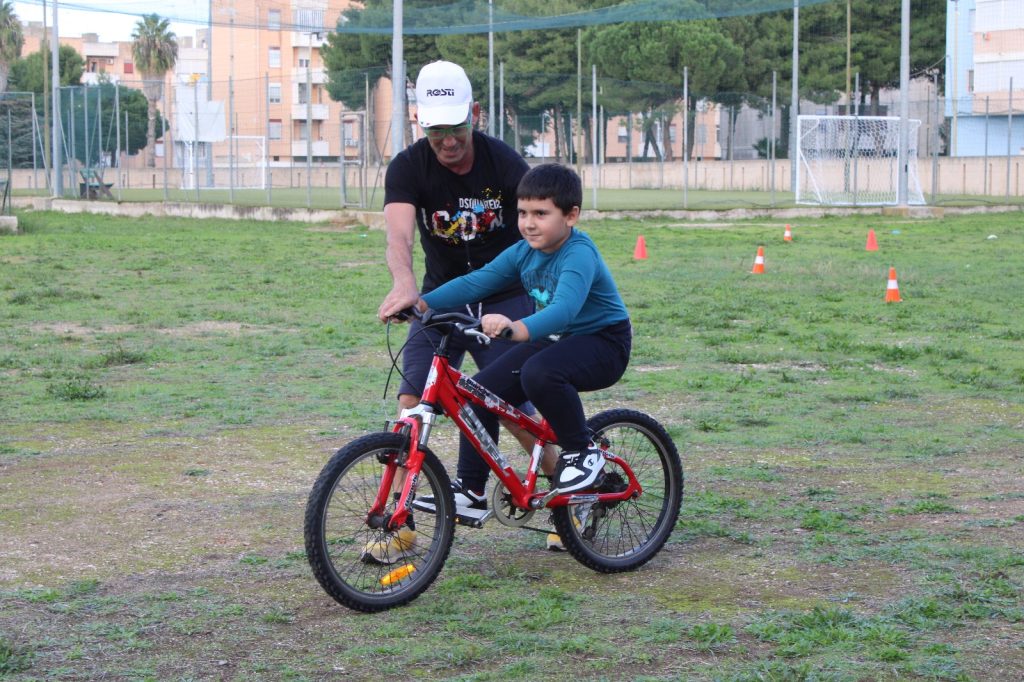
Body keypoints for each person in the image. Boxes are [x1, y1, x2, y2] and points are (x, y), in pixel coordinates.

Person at [364, 60, 543, 564]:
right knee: (410, 406)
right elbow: (398, 234)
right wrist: (404, 285)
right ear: (420, 121)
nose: (447, 140)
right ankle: (400, 527)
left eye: (456, 127)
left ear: (476, 115)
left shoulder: (505, 164)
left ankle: (570, 498)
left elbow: (543, 226)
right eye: (435, 128)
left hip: (505, 298)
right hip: (440, 297)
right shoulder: (408, 166)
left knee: (515, 410)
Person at [420, 163, 632, 498]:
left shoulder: (579, 253)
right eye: (522, 213)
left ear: (571, 215)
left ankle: (582, 452)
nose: (528, 223)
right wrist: (420, 303)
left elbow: (564, 310)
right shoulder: (523, 252)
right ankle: (472, 491)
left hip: (605, 342)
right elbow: (476, 283)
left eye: (541, 213)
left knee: (540, 372)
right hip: (558, 340)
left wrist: (515, 328)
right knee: (477, 396)